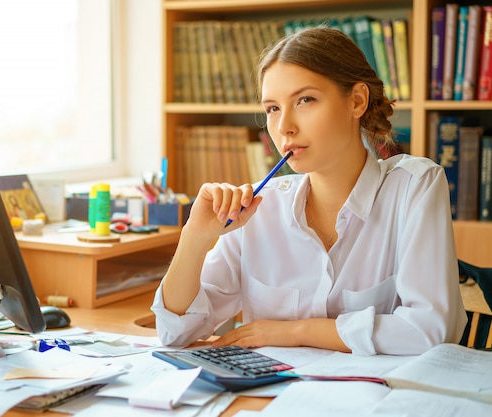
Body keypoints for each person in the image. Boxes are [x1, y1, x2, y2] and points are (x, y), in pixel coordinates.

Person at [151, 26, 467, 356]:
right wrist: (195, 237)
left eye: (305, 100)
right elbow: (174, 332)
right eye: (272, 108)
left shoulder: (414, 187)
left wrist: (297, 332)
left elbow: (431, 331)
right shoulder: (260, 208)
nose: (285, 126)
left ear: (356, 101)